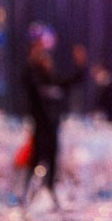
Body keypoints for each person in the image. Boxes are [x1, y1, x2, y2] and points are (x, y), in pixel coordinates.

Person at [22, 32, 87, 194]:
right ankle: (29, 193)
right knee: (36, 160)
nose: (46, 60)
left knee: (51, 160)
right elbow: (29, 79)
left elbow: (69, 82)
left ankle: (49, 192)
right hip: (40, 124)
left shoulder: (51, 78)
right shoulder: (32, 73)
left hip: (53, 123)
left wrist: (80, 65)